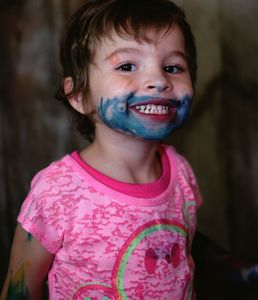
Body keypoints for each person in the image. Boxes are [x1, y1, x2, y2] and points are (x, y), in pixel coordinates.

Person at [1, 0, 201, 299]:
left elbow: (184, 239)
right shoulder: (57, 192)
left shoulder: (180, 171)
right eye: (127, 66)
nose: (159, 80)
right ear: (80, 95)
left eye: (173, 67)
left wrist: (240, 269)